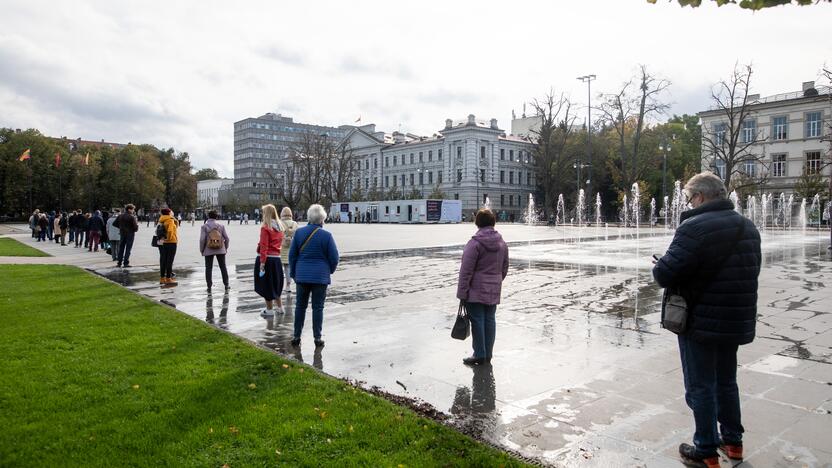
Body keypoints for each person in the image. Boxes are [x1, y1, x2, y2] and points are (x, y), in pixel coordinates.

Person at [652, 172, 761, 468]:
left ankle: (706, 449)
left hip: (700, 320)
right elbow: (751, 270)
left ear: (699, 196)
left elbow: (664, 275)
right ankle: (733, 441)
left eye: (689, 197)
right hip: (735, 318)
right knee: (727, 381)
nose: (688, 202)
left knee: (700, 386)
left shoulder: (694, 227)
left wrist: (661, 263)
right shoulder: (748, 226)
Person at [456, 209, 509, 366]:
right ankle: (488, 354)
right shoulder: (502, 243)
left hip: (475, 290)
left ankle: (479, 354)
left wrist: (462, 293)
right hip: (493, 289)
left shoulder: (475, 243)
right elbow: (505, 267)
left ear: (477, 222)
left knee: (477, 321)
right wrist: (496, 281)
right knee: (490, 320)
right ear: (493, 222)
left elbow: (466, 270)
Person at [288, 203, 339, 348]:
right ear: (322, 219)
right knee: (318, 308)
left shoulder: (299, 233)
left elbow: (292, 256)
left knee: (300, 307)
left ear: (309, 218)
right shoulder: (327, 236)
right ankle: (317, 338)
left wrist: (294, 274)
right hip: (320, 277)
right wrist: (328, 271)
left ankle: (296, 336)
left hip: (302, 276)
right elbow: (335, 258)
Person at [254, 204, 285, 317]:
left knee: (267, 284)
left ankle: (269, 309)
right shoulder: (280, 227)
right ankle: (280, 307)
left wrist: (262, 262)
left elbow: (264, 246)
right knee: (276, 284)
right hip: (277, 259)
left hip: (267, 259)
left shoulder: (265, 228)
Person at [200, 210, 230, 291]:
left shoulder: (204, 227)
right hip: (220, 248)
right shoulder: (221, 226)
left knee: (208, 268)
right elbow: (227, 238)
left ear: (208, 216)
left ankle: (209, 286)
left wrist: (202, 250)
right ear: (216, 217)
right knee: (223, 267)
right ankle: (226, 284)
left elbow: (202, 240)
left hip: (208, 249)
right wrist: (225, 247)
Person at [157, 208, 179, 285]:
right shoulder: (170, 220)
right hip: (171, 242)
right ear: (169, 213)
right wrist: (168, 239)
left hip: (162, 242)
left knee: (163, 260)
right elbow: (170, 231)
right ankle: (168, 278)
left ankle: (162, 278)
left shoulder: (161, 220)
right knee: (170, 261)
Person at [280, 207, 299, 293]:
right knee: (290, 267)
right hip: (292, 247)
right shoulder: (295, 223)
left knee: (282, 267)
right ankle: (290, 284)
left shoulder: (280, 223)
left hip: (282, 247)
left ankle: (281, 285)